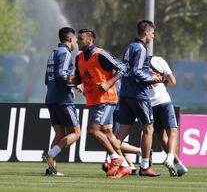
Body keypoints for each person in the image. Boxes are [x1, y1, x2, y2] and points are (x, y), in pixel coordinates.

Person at [67, 28, 130, 178]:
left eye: (81, 39)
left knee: (93, 131)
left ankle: (115, 158)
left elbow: (122, 67)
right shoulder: (79, 58)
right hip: (94, 100)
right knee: (108, 134)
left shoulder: (100, 54)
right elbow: (80, 79)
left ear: (90, 40)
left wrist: (109, 83)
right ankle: (126, 166)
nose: (77, 42)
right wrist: (73, 81)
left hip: (106, 99)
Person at [116, 20, 163, 177]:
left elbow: (124, 68)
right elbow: (137, 71)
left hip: (125, 93)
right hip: (138, 95)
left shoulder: (130, 47)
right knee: (148, 128)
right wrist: (152, 78)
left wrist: (147, 75)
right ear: (147, 32)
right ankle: (145, 167)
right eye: (152, 33)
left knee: (122, 131)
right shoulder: (141, 48)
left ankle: (111, 159)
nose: (153, 36)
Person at [42, 27, 81, 176]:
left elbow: (47, 79)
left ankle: (51, 168)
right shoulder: (65, 53)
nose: (76, 43)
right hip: (63, 100)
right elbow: (61, 74)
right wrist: (75, 85)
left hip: (51, 97)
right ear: (70, 39)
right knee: (76, 133)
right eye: (76, 40)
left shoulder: (53, 53)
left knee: (59, 134)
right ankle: (50, 154)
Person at [147, 56, 188, 177]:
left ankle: (179, 165)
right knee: (173, 131)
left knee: (161, 137)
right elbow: (172, 81)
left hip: (148, 104)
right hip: (163, 100)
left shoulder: (136, 64)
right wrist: (161, 80)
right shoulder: (158, 60)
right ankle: (170, 159)